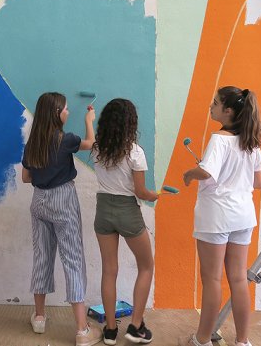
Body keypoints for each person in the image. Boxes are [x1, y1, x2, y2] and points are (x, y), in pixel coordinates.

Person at [181, 87, 261, 346]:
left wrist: (189, 174)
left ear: (228, 111)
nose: (211, 106)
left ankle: (202, 339)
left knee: (212, 280)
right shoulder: (252, 144)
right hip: (243, 216)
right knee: (239, 278)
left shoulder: (219, 139)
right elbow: (258, 182)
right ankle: (242, 341)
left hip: (216, 216)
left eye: (215, 103)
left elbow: (207, 173)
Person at [21, 92, 101, 346]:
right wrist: (90, 119)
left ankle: (40, 317)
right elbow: (90, 143)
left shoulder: (32, 142)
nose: (68, 112)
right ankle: (81, 330)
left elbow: (25, 178)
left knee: (42, 256)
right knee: (73, 259)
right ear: (57, 114)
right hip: (63, 199)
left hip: (39, 200)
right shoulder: (65, 140)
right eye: (66, 109)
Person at [90, 99, 157, 345]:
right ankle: (136, 325)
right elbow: (141, 192)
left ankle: (109, 330)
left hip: (103, 210)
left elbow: (91, 137)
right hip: (127, 211)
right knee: (146, 266)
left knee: (109, 270)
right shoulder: (135, 152)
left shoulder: (97, 149)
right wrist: (156, 195)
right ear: (131, 124)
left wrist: (89, 120)